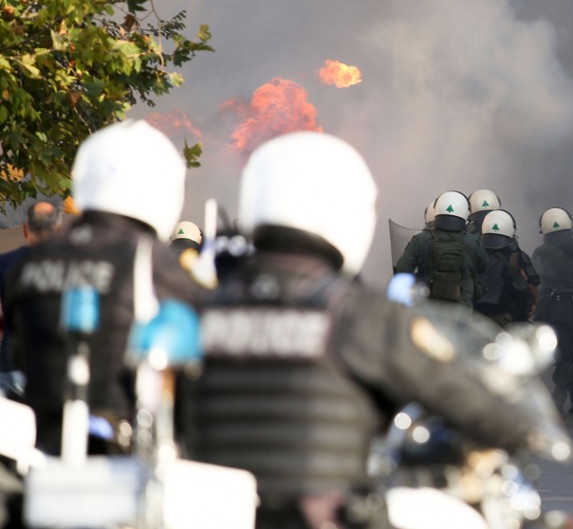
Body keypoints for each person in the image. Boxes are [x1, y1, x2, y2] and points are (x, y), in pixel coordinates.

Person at [189, 131, 543, 529]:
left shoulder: (198, 309)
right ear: (348, 214)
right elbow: (462, 397)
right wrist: (520, 426)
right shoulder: (360, 316)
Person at [1, 120, 203, 455]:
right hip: (119, 460)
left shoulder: (31, 263)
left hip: (39, 453)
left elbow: (21, 348)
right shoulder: (154, 263)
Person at [532, 207, 573, 414]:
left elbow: (537, 279)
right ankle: (560, 396)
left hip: (556, 308)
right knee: (568, 352)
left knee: (563, 354)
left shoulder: (542, 253)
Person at [0, 200, 63, 396]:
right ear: (58, 229)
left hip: (10, 365)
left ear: (25, 229)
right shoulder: (70, 265)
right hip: (53, 366)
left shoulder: (4, 263)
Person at [395, 191, 489, 308]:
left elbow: (402, 271)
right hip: (462, 314)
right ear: (465, 213)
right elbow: (486, 278)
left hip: (427, 310)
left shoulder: (421, 239)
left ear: (437, 210)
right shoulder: (475, 243)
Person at [474, 209, 539, 327]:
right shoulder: (518, 257)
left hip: (474, 320)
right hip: (507, 321)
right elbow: (532, 284)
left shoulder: (473, 253)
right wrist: (532, 304)